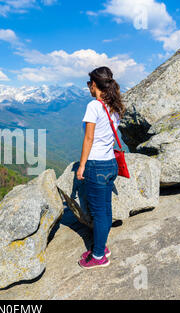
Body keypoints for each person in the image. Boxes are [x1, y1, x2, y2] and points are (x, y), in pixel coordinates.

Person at [77, 66, 126, 269]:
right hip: (111, 164)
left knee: (98, 213)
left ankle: (98, 256)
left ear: (95, 84)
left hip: (95, 165)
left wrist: (81, 167)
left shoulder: (94, 106)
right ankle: (101, 246)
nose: (88, 87)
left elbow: (89, 138)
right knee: (105, 210)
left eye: (89, 84)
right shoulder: (114, 107)